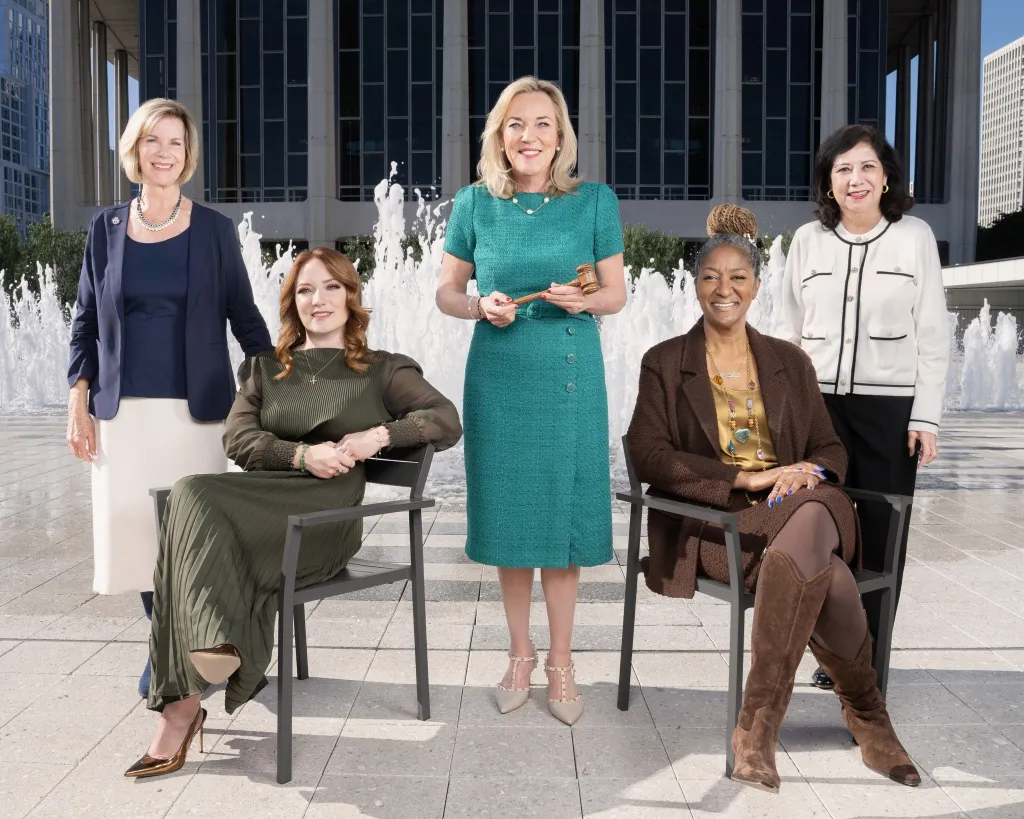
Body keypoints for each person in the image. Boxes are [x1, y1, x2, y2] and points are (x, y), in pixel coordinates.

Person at [125, 248, 462, 778]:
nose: (317, 300)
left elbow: (444, 419)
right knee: (189, 491)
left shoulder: (383, 370)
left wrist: (375, 436)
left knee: (188, 513)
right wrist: (303, 453)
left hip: (322, 518)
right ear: (292, 303)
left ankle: (189, 696)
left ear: (350, 297)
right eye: (305, 290)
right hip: (265, 501)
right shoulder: (265, 369)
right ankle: (202, 673)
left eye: (330, 287)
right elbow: (237, 439)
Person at [627, 205, 920, 793]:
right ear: (694, 284)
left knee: (812, 508)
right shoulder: (664, 362)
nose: (724, 288)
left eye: (738, 276)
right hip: (719, 523)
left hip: (801, 503)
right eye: (711, 275)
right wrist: (746, 480)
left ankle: (757, 727)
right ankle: (867, 714)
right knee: (825, 570)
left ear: (757, 286)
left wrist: (803, 471)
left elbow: (830, 448)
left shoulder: (789, 361)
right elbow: (649, 454)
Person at [65, 98, 272, 700]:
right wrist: (78, 397)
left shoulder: (213, 229)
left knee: (190, 540)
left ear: (188, 155)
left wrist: (272, 388)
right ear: (135, 150)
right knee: (140, 541)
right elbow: (84, 323)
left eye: (176, 143)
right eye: (153, 140)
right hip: (123, 417)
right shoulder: (104, 229)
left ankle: (180, 654)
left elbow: (245, 316)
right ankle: (173, 648)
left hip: (195, 414)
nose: (164, 152)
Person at [436, 76, 626, 725]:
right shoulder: (473, 204)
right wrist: (475, 305)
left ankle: (563, 662)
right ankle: (520, 653)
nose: (530, 136)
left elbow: (615, 294)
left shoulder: (595, 201)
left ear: (561, 135)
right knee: (514, 525)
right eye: (517, 124)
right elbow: (446, 292)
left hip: (571, 374)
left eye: (543, 124)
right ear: (499, 134)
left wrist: (584, 299)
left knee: (562, 531)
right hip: (500, 373)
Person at [778, 124, 949, 690]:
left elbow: (932, 334)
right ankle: (834, 655)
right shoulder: (807, 241)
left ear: (886, 177)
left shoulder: (914, 236)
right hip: (819, 410)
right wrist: (787, 416)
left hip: (889, 413)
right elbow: (788, 333)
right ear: (828, 183)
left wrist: (925, 417)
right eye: (843, 169)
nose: (856, 179)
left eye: (867, 167)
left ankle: (867, 672)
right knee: (819, 533)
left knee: (881, 541)